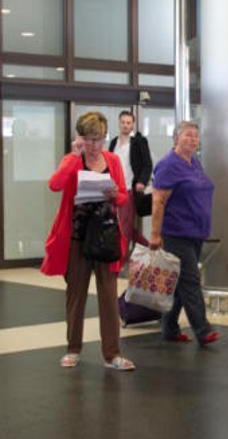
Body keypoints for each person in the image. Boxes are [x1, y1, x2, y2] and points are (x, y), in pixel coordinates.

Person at [41, 111, 135, 371]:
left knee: (108, 295)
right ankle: (73, 349)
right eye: (91, 139)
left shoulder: (112, 160)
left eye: (100, 139)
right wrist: (73, 156)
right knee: (76, 295)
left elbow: (123, 198)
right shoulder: (73, 160)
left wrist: (115, 194)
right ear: (81, 138)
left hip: (105, 235)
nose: (95, 145)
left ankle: (112, 354)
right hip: (77, 237)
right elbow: (55, 185)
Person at [150, 121, 219, 345]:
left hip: (196, 232)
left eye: (196, 136)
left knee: (180, 283)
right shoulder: (168, 165)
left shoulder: (194, 163)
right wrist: (155, 234)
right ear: (176, 138)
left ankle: (169, 327)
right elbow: (158, 201)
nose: (192, 139)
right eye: (187, 135)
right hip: (176, 232)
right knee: (190, 280)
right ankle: (203, 329)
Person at [109, 110, 152, 249]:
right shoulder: (114, 142)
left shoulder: (139, 142)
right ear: (119, 123)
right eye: (123, 122)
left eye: (128, 123)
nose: (125, 125)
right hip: (114, 191)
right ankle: (152, 249)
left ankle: (119, 263)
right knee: (121, 226)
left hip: (129, 190)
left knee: (124, 227)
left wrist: (142, 182)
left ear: (133, 125)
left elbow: (147, 164)